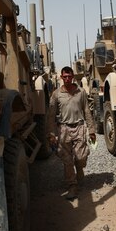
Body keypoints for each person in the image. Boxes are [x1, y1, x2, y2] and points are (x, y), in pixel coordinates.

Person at [47, 66, 96, 200]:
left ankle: (79, 168)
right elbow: (51, 115)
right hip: (64, 129)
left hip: (79, 127)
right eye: (65, 77)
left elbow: (87, 111)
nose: (67, 79)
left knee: (80, 157)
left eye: (69, 76)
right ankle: (72, 185)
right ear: (61, 78)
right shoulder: (56, 94)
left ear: (73, 76)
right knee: (67, 160)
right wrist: (51, 134)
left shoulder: (81, 92)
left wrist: (91, 130)